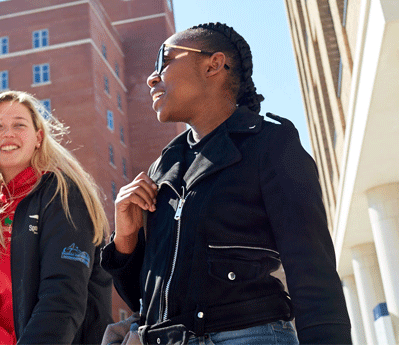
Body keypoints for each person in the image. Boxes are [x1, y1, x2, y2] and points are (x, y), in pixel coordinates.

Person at [101, 22, 351, 344]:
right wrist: (125, 237)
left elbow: (312, 271)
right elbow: (146, 297)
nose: (152, 77)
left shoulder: (271, 144)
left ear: (213, 64)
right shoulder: (163, 168)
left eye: (164, 61)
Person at [0, 90, 113, 345]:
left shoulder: (60, 194)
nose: (8, 133)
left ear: (38, 137)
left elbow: (63, 299)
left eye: (19, 125)